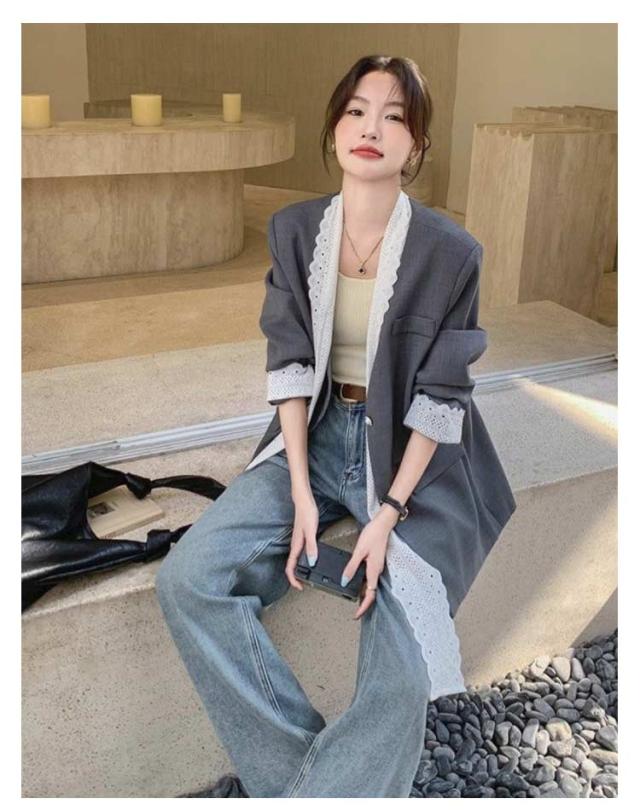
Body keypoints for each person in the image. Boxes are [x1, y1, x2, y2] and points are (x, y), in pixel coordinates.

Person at [155, 54, 516, 799]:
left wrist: (387, 514)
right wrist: (300, 488)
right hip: (316, 438)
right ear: (335, 127)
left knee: (402, 660)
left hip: (414, 457)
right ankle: (309, 780)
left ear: (416, 145)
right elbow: (290, 366)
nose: (371, 127)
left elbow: (441, 396)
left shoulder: (453, 253)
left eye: (393, 116)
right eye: (356, 110)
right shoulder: (294, 231)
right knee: (189, 580)